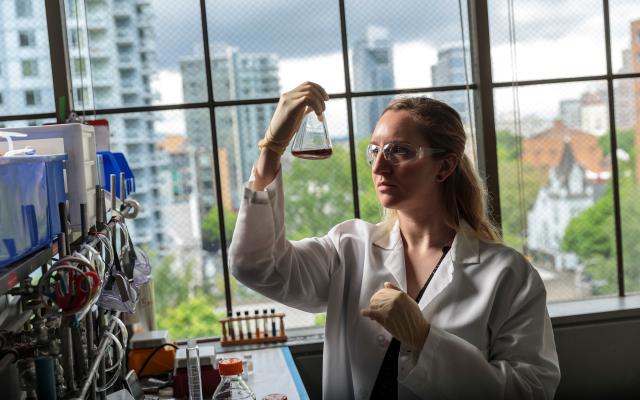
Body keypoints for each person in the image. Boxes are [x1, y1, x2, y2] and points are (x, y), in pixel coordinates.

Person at [229, 81, 560, 399]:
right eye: (375, 151)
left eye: (399, 151)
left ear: (444, 166)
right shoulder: (349, 248)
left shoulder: (507, 274)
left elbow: (530, 391)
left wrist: (425, 338)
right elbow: (256, 267)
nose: (380, 166)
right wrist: (271, 149)